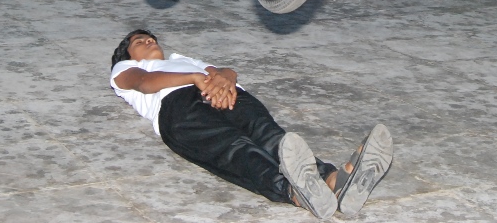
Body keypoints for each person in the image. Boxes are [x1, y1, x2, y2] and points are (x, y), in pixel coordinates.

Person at [110, 29, 393, 219]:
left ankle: (333, 181)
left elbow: (221, 71)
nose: (149, 41)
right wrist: (195, 79)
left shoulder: (180, 59)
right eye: (139, 42)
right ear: (127, 55)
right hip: (178, 107)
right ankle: (292, 191)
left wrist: (226, 78)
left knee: (271, 136)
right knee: (236, 148)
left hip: (227, 94)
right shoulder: (124, 69)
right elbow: (144, 83)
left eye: (150, 38)